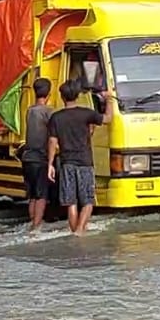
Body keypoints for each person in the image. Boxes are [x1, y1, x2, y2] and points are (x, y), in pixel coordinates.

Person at [47, 80, 113, 236]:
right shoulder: (86, 113)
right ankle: (79, 232)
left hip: (66, 163)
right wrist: (109, 99)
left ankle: (75, 232)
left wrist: (50, 164)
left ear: (62, 97)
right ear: (77, 96)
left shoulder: (56, 117)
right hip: (85, 162)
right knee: (88, 201)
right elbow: (108, 119)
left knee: (71, 202)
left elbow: (52, 141)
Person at [22, 78, 53, 230]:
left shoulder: (30, 110)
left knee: (33, 196)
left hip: (27, 158)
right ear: (49, 94)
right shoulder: (49, 112)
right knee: (41, 195)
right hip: (40, 158)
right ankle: (36, 227)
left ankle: (32, 222)